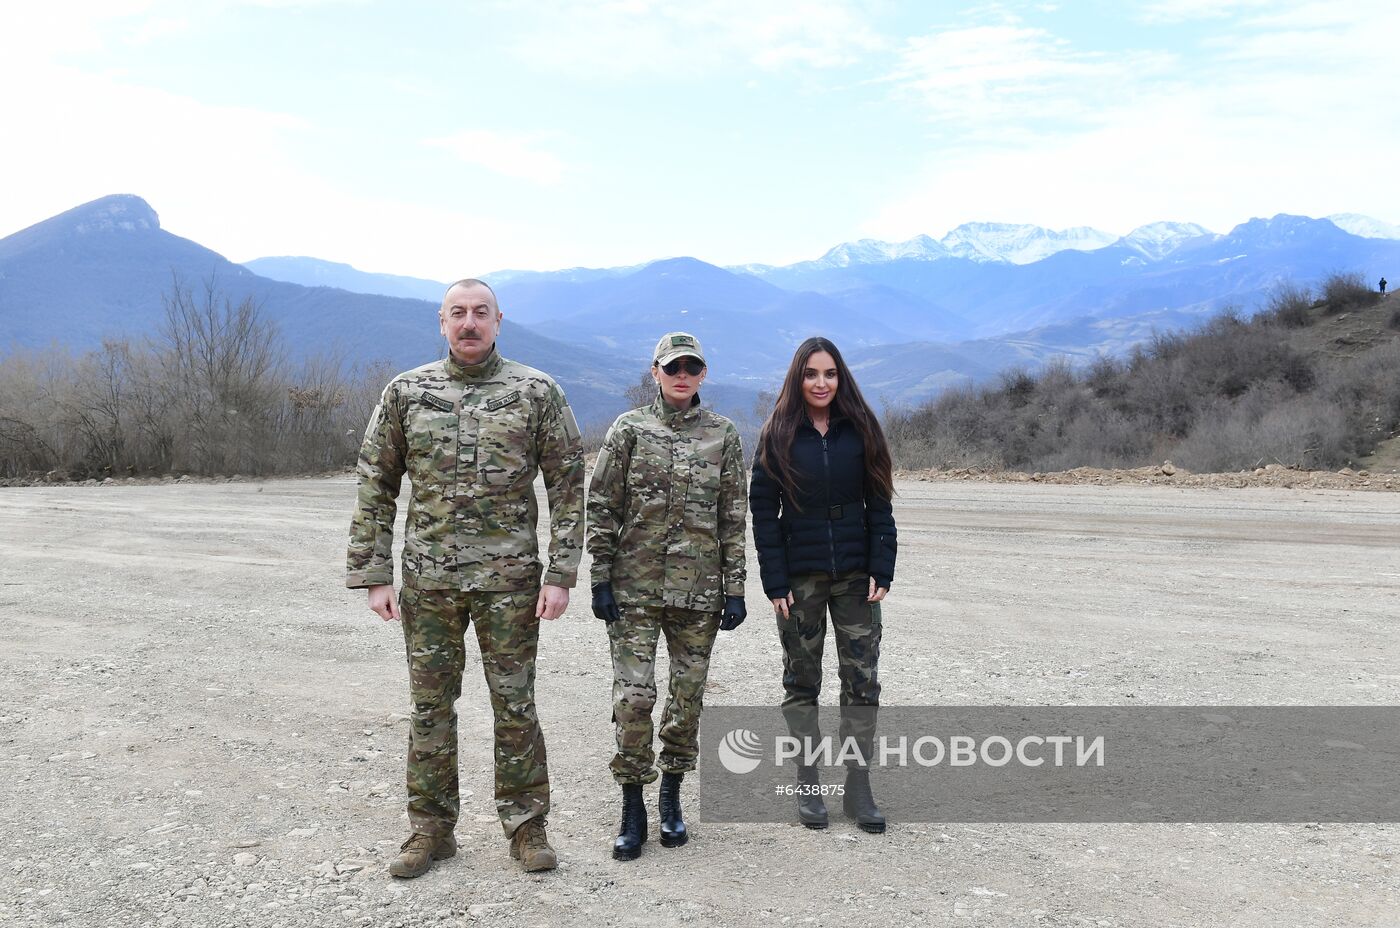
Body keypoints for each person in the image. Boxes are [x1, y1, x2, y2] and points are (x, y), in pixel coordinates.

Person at [346, 278, 584, 878]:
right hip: (429, 583)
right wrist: (374, 572)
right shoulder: (407, 392)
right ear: (442, 322)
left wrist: (560, 574)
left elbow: (567, 488)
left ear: (499, 321)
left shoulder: (535, 392)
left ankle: (528, 830)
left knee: (515, 706)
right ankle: (429, 831)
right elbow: (376, 484)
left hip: (511, 584)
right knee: (430, 709)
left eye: (481, 313)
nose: (469, 323)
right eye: (459, 313)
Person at [587, 332, 748, 860]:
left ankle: (672, 799)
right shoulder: (630, 429)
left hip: (698, 593)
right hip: (634, 591)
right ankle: (633, 805)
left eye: (692, 367)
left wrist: (735, 589)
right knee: (633, 700)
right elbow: (603, 504)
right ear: (654, 371)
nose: (682, 374)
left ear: (703, 375)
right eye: (672, 366)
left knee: (685, 703)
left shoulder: (722, 435)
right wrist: (601, 579)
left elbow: (731, 517)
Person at [749, 336, 896, 834]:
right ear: (798, 377)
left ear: (841, 377)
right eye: (812, 374)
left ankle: (858, 786)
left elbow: (881, 503)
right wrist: (774, 580)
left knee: (862, 683)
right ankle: (809, 783)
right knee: (801, 682)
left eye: (830, 373)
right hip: (801, 579)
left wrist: (883, 565)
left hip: (857, 578)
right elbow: (763, 514)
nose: (821, 383)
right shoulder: (778, 435)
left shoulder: (862, 429)